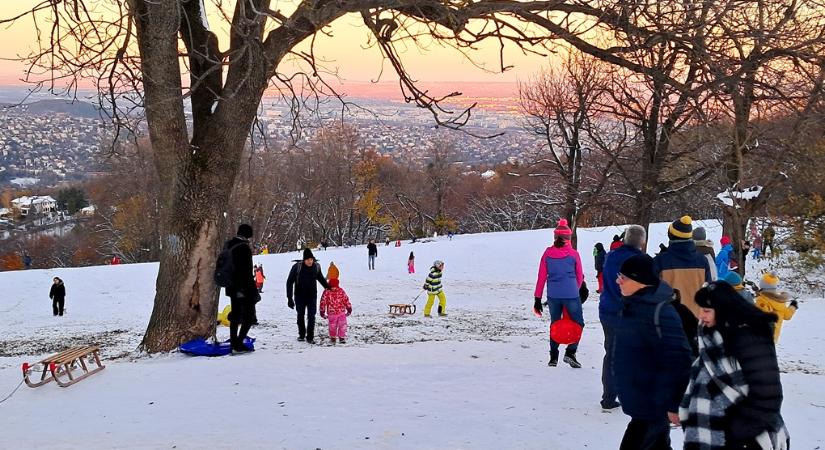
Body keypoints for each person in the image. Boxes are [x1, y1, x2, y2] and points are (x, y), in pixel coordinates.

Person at [680, 282, 789, 449]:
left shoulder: (751, 339)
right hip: (707, 431)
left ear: (724, 310)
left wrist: (735, 432)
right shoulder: (710, 335)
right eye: (700, 309)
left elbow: (768, 396)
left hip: (743, 436)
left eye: (707, 311)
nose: (700, 315)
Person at [613, 254, 692, 450]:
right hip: (642, 401)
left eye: (623, 277)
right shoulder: (633, 305)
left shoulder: (661, 312)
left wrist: (674, 403)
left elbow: (680, 359)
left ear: (639, 281)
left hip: (654, 404)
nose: (617, 281)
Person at [599, 225, 646, 410]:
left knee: (611, 352)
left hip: (607, 310)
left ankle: (609, 396)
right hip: (627, 313)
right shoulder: (639, 260)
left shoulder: (611, 256)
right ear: (641, 242)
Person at [653, 215, 712, 356]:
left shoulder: (660, 261)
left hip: (667, 323)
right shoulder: (702, 261)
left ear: (671, 235)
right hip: (696, 323)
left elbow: (652, 292)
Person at [533, 218, 584, 368]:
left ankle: (553, 356)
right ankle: (570, 352)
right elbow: (579, 276)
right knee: (579, 322)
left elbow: (541, 277)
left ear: (555, 237)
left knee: (555, 324)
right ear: (568, 238)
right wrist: (573, 288)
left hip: (553, 295)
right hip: (571, 294)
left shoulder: (547, 253)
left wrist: (537, 298)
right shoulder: (574, 254)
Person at [223, 224, 259, 352]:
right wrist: (252, 290)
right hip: (243, 287)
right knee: (249, 317)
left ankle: (234, 342)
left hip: (231, 287)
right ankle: (238, 343)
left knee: (235, 314)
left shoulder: (228, 245)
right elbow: (246, 272)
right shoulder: (244, 248)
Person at [286, 248, 330, 343]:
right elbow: (289, 282)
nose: (310, 261)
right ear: (304, 260)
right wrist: (289, 298)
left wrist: (329, 288)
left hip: (312, 295)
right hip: (299, 296)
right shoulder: (297, 267)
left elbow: (321, 279)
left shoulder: (316, 267)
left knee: (311, 316)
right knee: (300, 315)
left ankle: (310, 336)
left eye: (311, 259)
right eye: (308, 260)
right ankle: (301, 334)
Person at [754, 272, 798, 343]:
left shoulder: (762, 300)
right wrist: (793, 307)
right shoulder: (780, 300)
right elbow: (787, 316)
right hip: (774, 335)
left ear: (762, 285)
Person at [319, 278, 352, 344]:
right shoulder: (326, 292)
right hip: (332, 313)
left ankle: (341, 337)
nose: (333, 288)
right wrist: (322, 311)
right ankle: (333, 337)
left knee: (343, 325)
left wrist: (349, 307)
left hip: (341, 312)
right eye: (332, 287)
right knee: (332, 326)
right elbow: (323, 302)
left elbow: (346, 299)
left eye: (335, 287)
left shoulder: (341, 291)